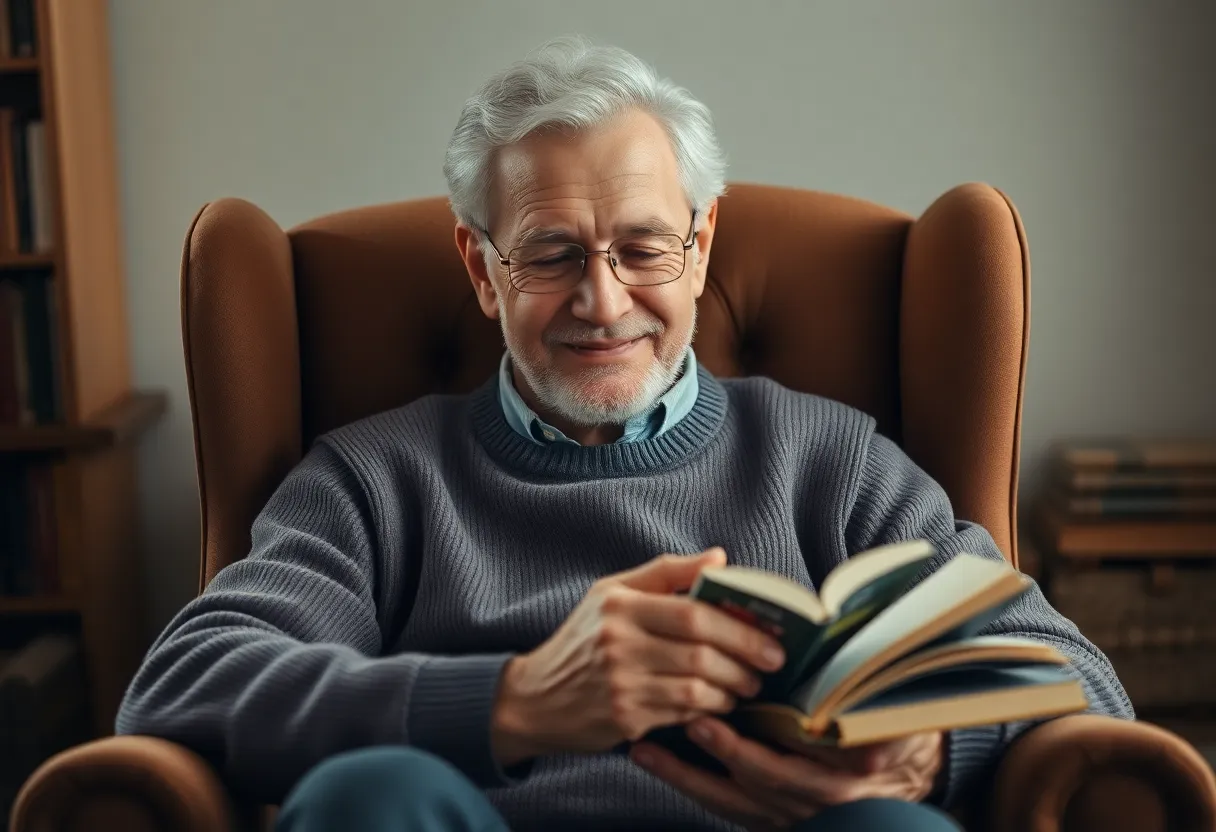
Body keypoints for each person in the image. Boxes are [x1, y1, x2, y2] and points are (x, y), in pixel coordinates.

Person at [116, 37, 1133, 832]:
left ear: (701, 247)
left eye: (643, 246)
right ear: (480, 270)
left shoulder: (836, 461)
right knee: (368, 796)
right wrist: (512, 701)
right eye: (551, 255)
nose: (603, 303)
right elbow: (181, 685)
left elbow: (1069, 668)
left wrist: (926, 750)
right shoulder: (371, 480)